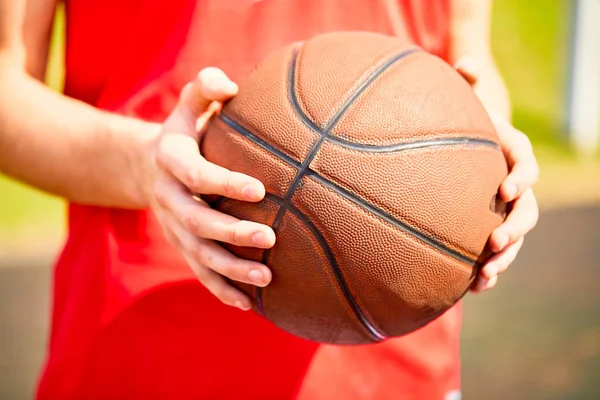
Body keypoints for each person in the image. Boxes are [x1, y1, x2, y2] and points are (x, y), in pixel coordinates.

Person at [0, 0, 539, 399]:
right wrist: (146, 164)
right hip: (145, 345)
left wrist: (488, 154)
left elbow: (469, 54)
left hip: (395, 348)